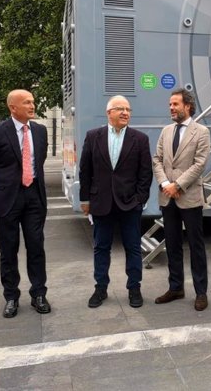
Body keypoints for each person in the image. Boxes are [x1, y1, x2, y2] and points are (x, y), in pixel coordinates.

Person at [0, 89, 51, 318]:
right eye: (27, 102)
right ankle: (11, 296)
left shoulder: (40, 131)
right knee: (8, 249)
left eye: (33, 101)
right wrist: (3, 186)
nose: (32, 105)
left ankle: (39, 293)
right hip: (8, 199)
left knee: (36, 247)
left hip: (34, 197)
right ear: (13, 107)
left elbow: (40, 160)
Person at [79, 95, 152, 309]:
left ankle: (134, 288)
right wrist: (85, 199)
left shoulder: (139, 139)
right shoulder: (93, 136)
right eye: (120, 109)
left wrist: (140, 198)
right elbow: (85, 170)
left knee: (133, 247)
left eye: (128, 109)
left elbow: (145, 173)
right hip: (101, 202)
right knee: (101, 247)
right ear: (108, 112)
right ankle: (100, 287)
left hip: (130, 203)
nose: (125, 113)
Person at [152, 89, 211, 311]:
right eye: (170, 104)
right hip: (168, 197)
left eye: (175, 104)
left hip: (190, 197)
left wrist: (178, 185)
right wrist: (166, 184)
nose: (171, 108)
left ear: (187, 106)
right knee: (173, 244)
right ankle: (176, 287)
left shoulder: (201, 132)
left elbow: (200, 163)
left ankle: (201, 292)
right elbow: (157, 159)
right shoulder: (166, 131)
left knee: (196, 246)